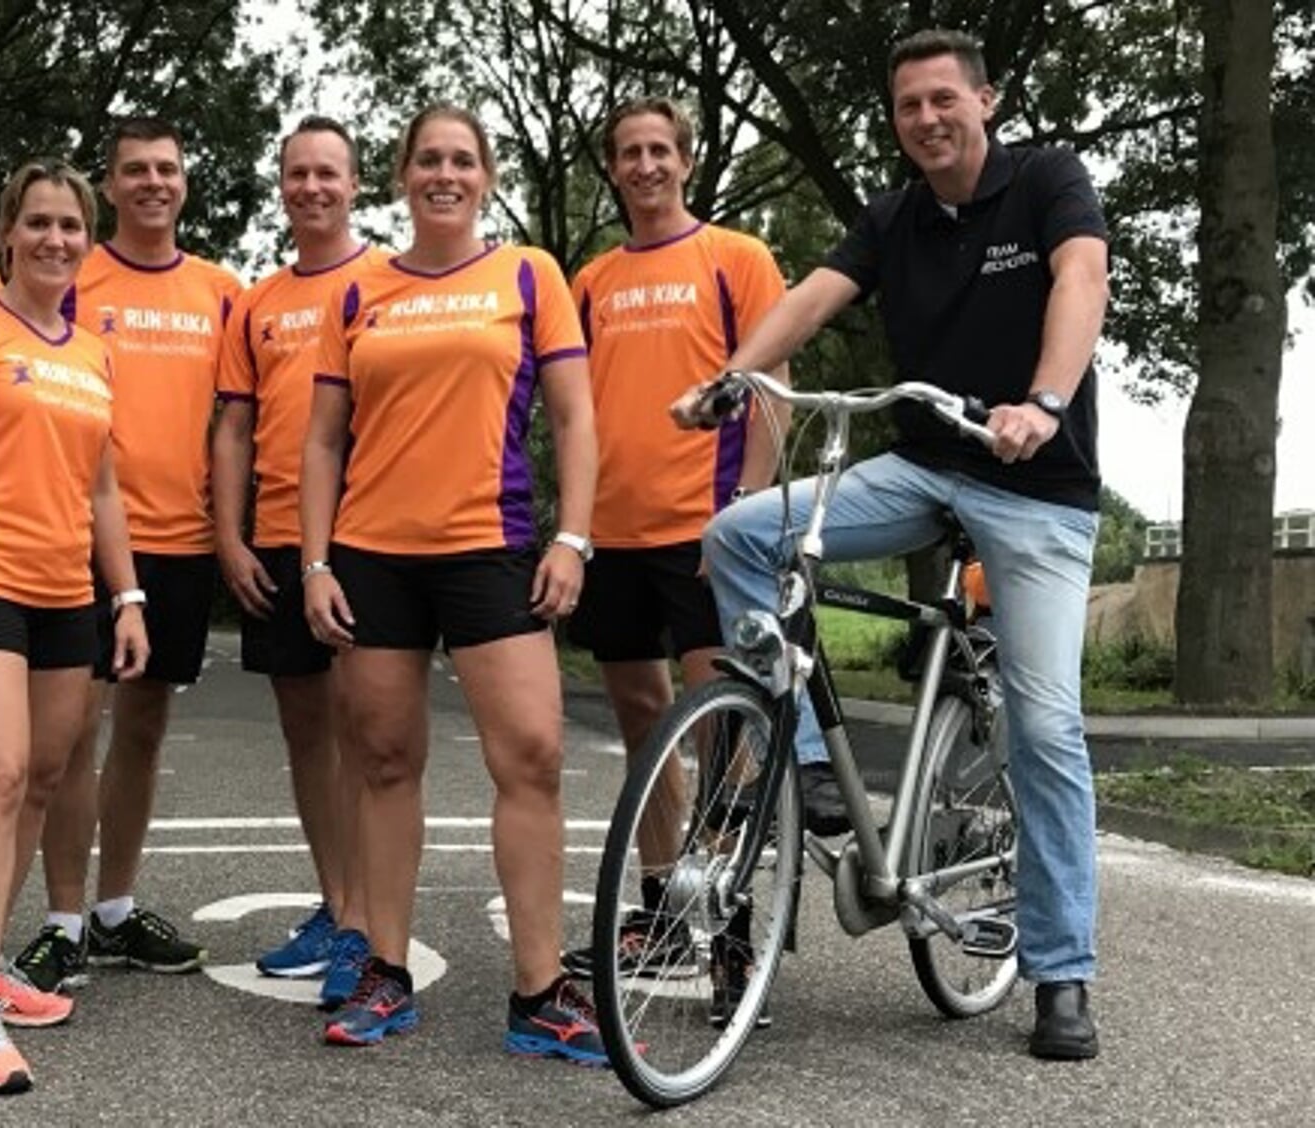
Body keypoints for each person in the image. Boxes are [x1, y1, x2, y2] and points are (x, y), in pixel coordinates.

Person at [680, 29, 1110, 1061]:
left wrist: (1043, 402)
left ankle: (1060, 969)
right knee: (738, 536)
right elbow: (814, 295)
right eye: (906, 106)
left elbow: (1080, 279)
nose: (924, 118)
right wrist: (733, 378)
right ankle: (816, 765)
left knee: (1046, 728)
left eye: (940, 100)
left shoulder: (1046, 181)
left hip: (1035, 484)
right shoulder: (894, 215)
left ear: (985, 101)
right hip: (923, 467)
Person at [299, 104, 610, 1065]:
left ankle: (539, 992)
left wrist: (572, 539)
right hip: (372, 558)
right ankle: (383, 973)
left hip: (491, 547)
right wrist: (314, 563)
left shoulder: (527, 275)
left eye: (462, 160)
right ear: (402, 175)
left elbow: (575, 417)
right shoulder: (357, 293)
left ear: (484, 176)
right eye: (428, 159)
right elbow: (320, 439)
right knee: (384, 762)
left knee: (531, 757)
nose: (444, 174)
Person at [0, 159, 149, 1095]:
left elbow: (101, 489)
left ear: (88, 241)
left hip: (64, 595)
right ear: (6, 231)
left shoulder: (94, 352)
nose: (55, 239)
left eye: (71, 226)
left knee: (45, 777)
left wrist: (125, 596)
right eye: (38, 222)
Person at [557, 97, 792, 982]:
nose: (645, 165)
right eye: (629, 153)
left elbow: (771, 387)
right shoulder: (590, 280)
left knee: (720, 739)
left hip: (705, 533)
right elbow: (575, 408)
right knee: (641, 731)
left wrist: (743, 513)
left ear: (685, 161)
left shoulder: (736, 258)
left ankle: (728, 935)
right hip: (613, 533)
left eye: (660, 150)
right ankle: (658, 917)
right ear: (612, 168)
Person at [11, 117, 243, 992]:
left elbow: (233, 424)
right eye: (134, 170)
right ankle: (62, 918)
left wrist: (229, 531)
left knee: (142, 730)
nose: (152, 182)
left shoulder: (222, 289)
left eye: (167, 169)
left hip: (176, 542)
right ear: (108, 187)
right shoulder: (73, 272)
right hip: (75, 535)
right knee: (67, 736)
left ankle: (113, 909)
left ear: (185, 183)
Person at [213, 116, 383, 995]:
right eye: (296, 175)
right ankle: (336, 901)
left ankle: (366, 919)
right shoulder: (257, 302)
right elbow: (234, 425)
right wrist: (230, 534)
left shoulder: (387, 281)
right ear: (281, 186)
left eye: (328, 173)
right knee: (307, 735)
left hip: (365, 536)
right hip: (277, 536)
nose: (311, 188)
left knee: (366, 736)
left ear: (354, 184)